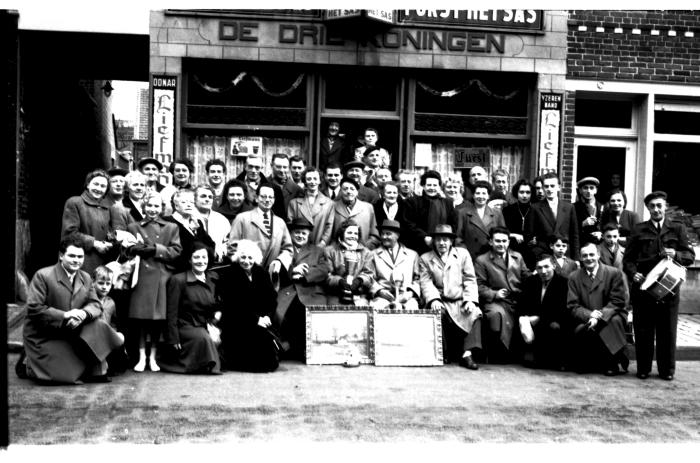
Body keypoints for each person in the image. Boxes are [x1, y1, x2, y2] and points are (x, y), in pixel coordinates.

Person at [20, 234, 124, 384]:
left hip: (73, 329)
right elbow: (34, 308)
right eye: (72, 256)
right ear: (61, 256)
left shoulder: (86, 277)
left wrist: (82, 314)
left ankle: (110, 357)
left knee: (99, 326)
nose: (77, 260)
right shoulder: (43, 275)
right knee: (65, 376)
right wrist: (66, 315)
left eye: (80, 256)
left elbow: (95, 304)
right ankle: (27, 363)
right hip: (46, 333)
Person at [623, 191, 695, 381]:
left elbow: (689, 256)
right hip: (644, 288)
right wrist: (633, 273)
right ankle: (643, 369)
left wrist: (676, 254)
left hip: (669, 289)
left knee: (667, 331)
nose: (656, 209)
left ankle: (667, 370)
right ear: (648, 208)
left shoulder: (677, 229)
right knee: (643, 330)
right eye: (652, 206)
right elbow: (628, 260)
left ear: (665, 206)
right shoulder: (638, 230)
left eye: (659, 205)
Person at [125, 191, 182, 372]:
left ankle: (153, 357)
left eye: (156, 206)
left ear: (162, 208)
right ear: (144, 207)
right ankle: (142, 357)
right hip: (141, 275)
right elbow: (127, 248)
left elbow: (176, 251)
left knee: (157, 320)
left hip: (161, 276)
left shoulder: (170, 227)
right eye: (149, 205)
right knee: (142, 320)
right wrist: (137, 249)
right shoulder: (134, 226)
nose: (152, 209)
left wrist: (156, 249)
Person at [419, 224, 481, 370]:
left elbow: (470, 279)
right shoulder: (426, 258)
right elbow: (425, 282)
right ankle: (443, 353)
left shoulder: (462, 254)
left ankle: (467, 354)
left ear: (451, 241)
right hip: (441, 301)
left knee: (476, 313)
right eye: (438, 240)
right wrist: (434, 299)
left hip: (459, 300)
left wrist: (470, 300)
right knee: (437, 313)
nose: (442, 243)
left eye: (445, 240)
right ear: (433, 241)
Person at [218, 239, 281, 372]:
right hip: (238, 323)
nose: (246, 261)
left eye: (250, 257)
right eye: (243, 257)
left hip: (261, 321)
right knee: (257, 361)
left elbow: (271, 299)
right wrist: (256, 319)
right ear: (238, 257)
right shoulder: (229, 275)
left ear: (256, 258)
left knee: (270, 361)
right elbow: (233, 305)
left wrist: (267, 316)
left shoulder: (261, 272)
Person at [568, 243, 630, 376]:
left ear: (598, 255)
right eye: (585, 256)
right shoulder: (574, 277)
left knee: (612, 322)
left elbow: (617, 301)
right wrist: (590, 315)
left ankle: (612, 362)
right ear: (580, 257)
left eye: (592, 255)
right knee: (580, 328)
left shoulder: (613, 273)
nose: (589, 258)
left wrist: (599, 316)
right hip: (587, 315)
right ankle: (591, 361)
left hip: (611, 313)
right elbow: (572, 305)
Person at [159, 243, 222, 374]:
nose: (201, 261)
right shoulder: (178, 280)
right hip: (186, 326)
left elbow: (218, 303)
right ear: (189, 260)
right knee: (203, 339)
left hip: (207, 323)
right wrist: (173, 338)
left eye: (204, 257)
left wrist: (216, 317)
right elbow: (171, 312)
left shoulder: (213, 278)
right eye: (197, 257)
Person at [275, 218, 331, 359]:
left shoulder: (317, 251)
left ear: (309, 235)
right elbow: (277, 270)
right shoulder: (284, 250)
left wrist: (304, 274)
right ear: (291, 234)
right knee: (282, 313)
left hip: (311, 291)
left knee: (306, 312)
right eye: (297, 233)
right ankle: (288, 346)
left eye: (303, 233)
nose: (300, 236)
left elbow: (324, 269)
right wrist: (293, 271)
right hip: (288, 289)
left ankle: (299, 348)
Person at [474, 227, 531, 363]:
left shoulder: (517, 257)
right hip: (496, 301)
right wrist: (494, 294)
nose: (501, 244)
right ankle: (498, 354)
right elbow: (478, 285)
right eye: (498, 241)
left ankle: (525, 355)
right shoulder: (482, 260)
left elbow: (526, 277)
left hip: (517, 299)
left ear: (509, 242)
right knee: (496, 314)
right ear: (490, 242)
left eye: (504, 241)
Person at [516, 254, 571, 370]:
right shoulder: (531, 281)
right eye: (539, 268)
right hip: (532, 320)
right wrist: (528, 318)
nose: (543, 271)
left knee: (554, 326)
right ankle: (535, 355)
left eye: (547, 267)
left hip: (553, 320)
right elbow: (522, 304)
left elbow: (561, 308)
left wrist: (539, 318)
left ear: (554, 266)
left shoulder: (563, 283)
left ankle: (556, 359)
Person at [61, 169, 120, 275]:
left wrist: (110, 240)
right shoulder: (75, 202)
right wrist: (94, 243)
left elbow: (110, 232)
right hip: (81, 261)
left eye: (103, 186)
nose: (99, 189)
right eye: (96, 184)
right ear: (88, 185)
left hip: (103, 264)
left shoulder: (108, 207)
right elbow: (69, 234)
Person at [229, 184, 294, 274]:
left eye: (270, 197)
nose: (267, 200)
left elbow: (288, 249)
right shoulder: (242, 218)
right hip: (247, 274)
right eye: (263, 196)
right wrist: (246, 266)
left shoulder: (280, 223)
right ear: (256, 198)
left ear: (274, 200)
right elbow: (232, 248)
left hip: (271, 275)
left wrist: (279, 261)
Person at [361, 220, 421, 310]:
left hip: (406, 297)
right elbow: (369, 277)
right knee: (377, 310)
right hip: (382, 298)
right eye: (382, 234)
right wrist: (379, 291)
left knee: (412, 309)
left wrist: (410, 294)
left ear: (397, 235)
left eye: (388, 234)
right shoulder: (373, 255)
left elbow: (418, 279)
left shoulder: (412, 255)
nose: (384, 237)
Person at [527, 172, 580, 261]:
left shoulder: (569, 207)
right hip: (544, 255)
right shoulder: (535, 208)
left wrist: (576, 259)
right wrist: (536, 251)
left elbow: (574, 235)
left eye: (552, 186)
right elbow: (529, 234)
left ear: (559, 187)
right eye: (546, 186)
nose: (549, 189)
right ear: (543, 188)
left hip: (564, 255)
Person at [403, 170, 456, 255]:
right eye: (429, 185)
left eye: (435, 185)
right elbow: (409, 224)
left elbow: (453, 224)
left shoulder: (447, 203)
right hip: (418, 246)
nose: (432, 188)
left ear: (439, 186)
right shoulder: (413, 202)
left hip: (443, 247)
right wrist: (424, 237)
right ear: (423, 186)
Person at [164, 188, 215, 274]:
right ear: (176, 206)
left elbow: (210, 245)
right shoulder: (167, 222)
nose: (189, 205)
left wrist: (195, 231)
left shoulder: (197, 222)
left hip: (199, 269)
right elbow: (172, 251)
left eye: (191, 202)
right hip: (177, 272)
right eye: (184, 202)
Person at [324, 220, 373, 305]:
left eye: (355, 234)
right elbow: (326, 274)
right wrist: (339, 281)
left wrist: (360, 280)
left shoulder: (366, 253)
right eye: (349, 233)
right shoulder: (329, 251)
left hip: (359, 295)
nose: (353, 236)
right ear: (342, 234)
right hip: (335, 294)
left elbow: (369, 274)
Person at [92, 266, 129, 376]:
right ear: (93, 282)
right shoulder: (89, 299)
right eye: (101, 283)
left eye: (108, 284)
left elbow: (113, 322)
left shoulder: (111, 302)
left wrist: (114, 334)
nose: (104, 287)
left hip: (107, 337)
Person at [455, 180, 506, 259]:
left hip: (491, 257)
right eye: (478, 193)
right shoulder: (463, 213)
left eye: (484, 193)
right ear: (473, 195)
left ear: (488, 196)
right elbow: (458, 237)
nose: (481, 196)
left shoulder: (497, 213)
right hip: (470, 256)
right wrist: (464, 253)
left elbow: (503, 235)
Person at [287, 167, 334, 247]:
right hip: (299, 247)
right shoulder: (294, 203)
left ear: (319, 181)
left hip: (319, 247)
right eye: (309, 179)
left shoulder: (329, 203)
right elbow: (290, 226)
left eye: (315, 179)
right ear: (305, 181)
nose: (312, 182)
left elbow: (329, 226)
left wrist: (322, 243)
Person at [330, 176, 380, 251]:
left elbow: (374, 235)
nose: (349, 191)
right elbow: (329, 233)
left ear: (357, 192)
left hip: (363, 252)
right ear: (340, 191)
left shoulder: (368, 207)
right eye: (345, 189)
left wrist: (365, 247)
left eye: (352, 189)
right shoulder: (333, 206)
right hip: (338, 251)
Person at [235, 153, 286, 219]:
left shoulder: (275, 189)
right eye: (250, 167)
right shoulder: (234, 186)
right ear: (245, 167)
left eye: (257, 167)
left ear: (262, 168)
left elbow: (280, 216)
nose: (253, 170)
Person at [502, 179, 535, 269]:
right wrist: (513, 235)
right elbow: (502, 231)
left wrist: (536, 239)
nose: (524, 195)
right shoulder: (508, 210)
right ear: (516, 192)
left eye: (528, 192)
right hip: (512, 249)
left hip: (530, 251)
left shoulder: (536, 210)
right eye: (521, 192)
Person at [194, 184, 231, 263]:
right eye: (203, 196)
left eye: (210, 197)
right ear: (194, 199)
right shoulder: (188, 218)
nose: (207, 199)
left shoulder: (222, 220)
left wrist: (220, 252)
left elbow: (227, 243)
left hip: (217, 264)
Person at [573, 176, 605, 245]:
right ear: (580, 190)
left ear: (596, 190)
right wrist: (583, 224)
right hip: (581, 244)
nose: (588, 191)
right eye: (585, 188)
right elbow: (569, 228)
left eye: (591, 188)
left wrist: (602, 234)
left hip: (599, 245)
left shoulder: (603, 207)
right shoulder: (573, 207)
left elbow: (608, 226)